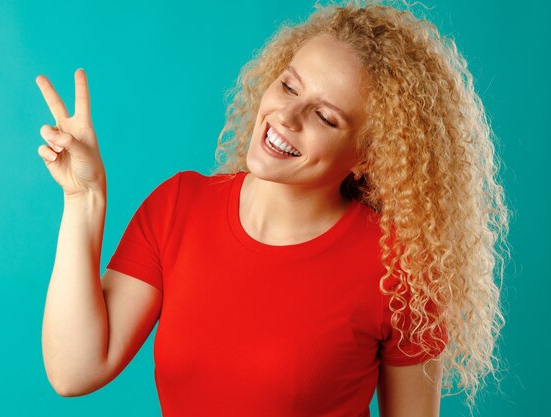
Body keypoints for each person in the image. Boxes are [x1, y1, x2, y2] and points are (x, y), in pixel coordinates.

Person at [36, 1, 510, 416]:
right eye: (288, 87)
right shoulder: (180, 207)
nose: (287, 117)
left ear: (369, 157)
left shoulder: (400, 268)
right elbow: (75, 371)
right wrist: (84, 199)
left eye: (325, 117)